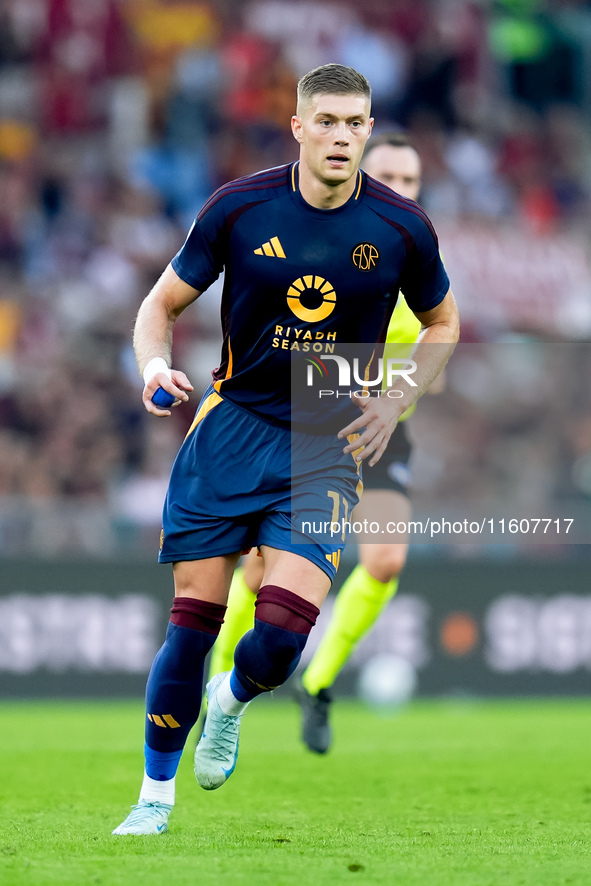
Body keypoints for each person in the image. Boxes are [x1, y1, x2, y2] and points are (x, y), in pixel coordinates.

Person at [113, 64, 459, 836]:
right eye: (327, 121)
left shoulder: (402, 228)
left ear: (368, 130)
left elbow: (444, 325)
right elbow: (160, 304)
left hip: (323, 442)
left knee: (275, 641)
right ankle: (153, 798)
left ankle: (231, 699)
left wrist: (397, 395)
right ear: (298, 127)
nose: (341, 136)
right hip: (230, 429)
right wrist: (152, 365)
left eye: (355, 123)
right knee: (192, 622)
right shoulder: (239, 206)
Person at [208, 132, 441, 753]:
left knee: (386, 559)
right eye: (389, 173)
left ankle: (318, 683)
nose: (400, 187)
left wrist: (396, 393)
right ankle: (218, 686)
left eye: (411, 180)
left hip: (381, 432)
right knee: (259, 574)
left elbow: (439, 344)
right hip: (304, 428)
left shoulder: (415, 256)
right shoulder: (338, 246)